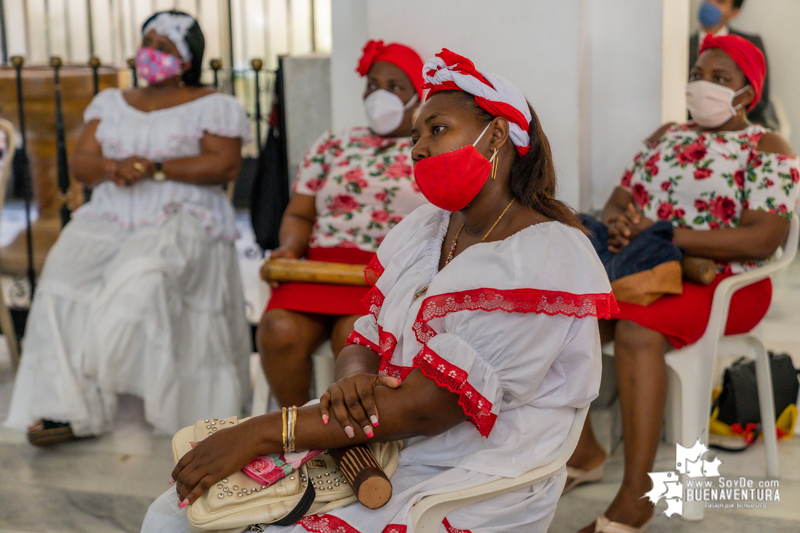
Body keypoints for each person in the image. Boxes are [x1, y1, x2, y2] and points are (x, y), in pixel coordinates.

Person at [141, 49, 613, 533]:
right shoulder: (428, 230)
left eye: (438, 129)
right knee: (177, 513)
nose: (418, 149)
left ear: (495, 135)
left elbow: (429, 408)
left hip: (468, 465)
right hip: (385, 440)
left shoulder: (538, 256)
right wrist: (352, 378)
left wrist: (265, 431)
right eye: (415, 136)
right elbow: (365, 336)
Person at [569, 35, 799, 533]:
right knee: (564, 313)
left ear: (747, 93)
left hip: (727, 284)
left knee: (634, 330)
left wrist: (668, 233)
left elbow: (766, 235)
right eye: (699, 74)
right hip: (646, 269)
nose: (703, 85)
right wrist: (628, 227)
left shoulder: (766, 146)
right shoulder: (666, 136)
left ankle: (635, 498)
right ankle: (585, 452)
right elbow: (616, 203)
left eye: (721, 79)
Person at [4, 10, 252, 445]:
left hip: (184, 214)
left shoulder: (214, 103)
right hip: (111, 213)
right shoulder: (110, 102)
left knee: (140, 281)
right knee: (61, 281)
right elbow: (82, 164)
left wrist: (156, 167)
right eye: (147, 42)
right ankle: (67, 409)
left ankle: (171, 404)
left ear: (187, 58)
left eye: (163, 46)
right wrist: (111, 166)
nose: (149, 53)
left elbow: (225, 164)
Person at [257, 40, 428, 409]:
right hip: (320, 270)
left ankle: (345, 438)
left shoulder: (427, 148)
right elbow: (300, 213)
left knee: (352, 338)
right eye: (372, 85)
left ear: (418, 96)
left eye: (395, 87)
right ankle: (294, 428)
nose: (379, 95)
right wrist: (290, 248)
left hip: (383, 277)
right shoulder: (334, 142)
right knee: (276, 329)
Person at [690, 0, 779, 129]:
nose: (710, 4)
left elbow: (761, 98)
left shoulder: (751, 43)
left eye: (720, 2)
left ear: (734, 12)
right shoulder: (683, 46)